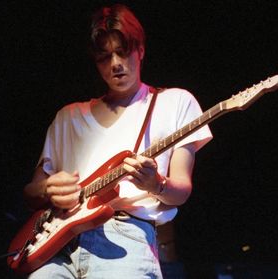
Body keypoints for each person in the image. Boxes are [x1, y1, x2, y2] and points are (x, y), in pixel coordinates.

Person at [22, 4, 212, 278]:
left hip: (126, 234)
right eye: (104, 56)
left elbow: (181, 190)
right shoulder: (68, 117)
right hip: (57, 243)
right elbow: (30, 193)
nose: (116, 64)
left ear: (141, 51)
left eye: (123, 52)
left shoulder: (175, 102)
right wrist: (47, 189)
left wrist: (155, 183)